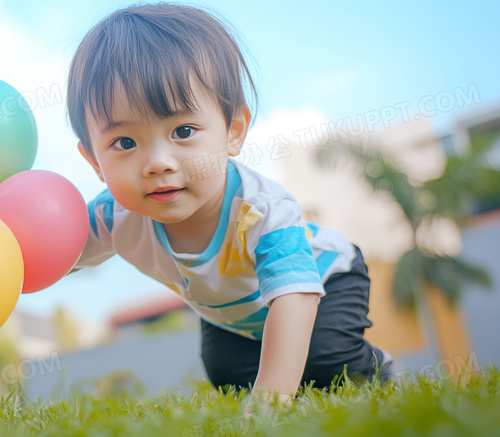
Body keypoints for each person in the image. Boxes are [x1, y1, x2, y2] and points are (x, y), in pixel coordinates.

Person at [65, 3, 392, 402]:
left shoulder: (262, 210)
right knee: (230, 380)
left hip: (321, 280)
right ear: (94, 160)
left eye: (183, 130)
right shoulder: (110, 216)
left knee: (325, 365)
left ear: (233, 131)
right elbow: (52, 256)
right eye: (125, 143)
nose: (157, 164)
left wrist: (269, 401)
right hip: (230, 315)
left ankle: (378, 368)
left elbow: (294, 297)